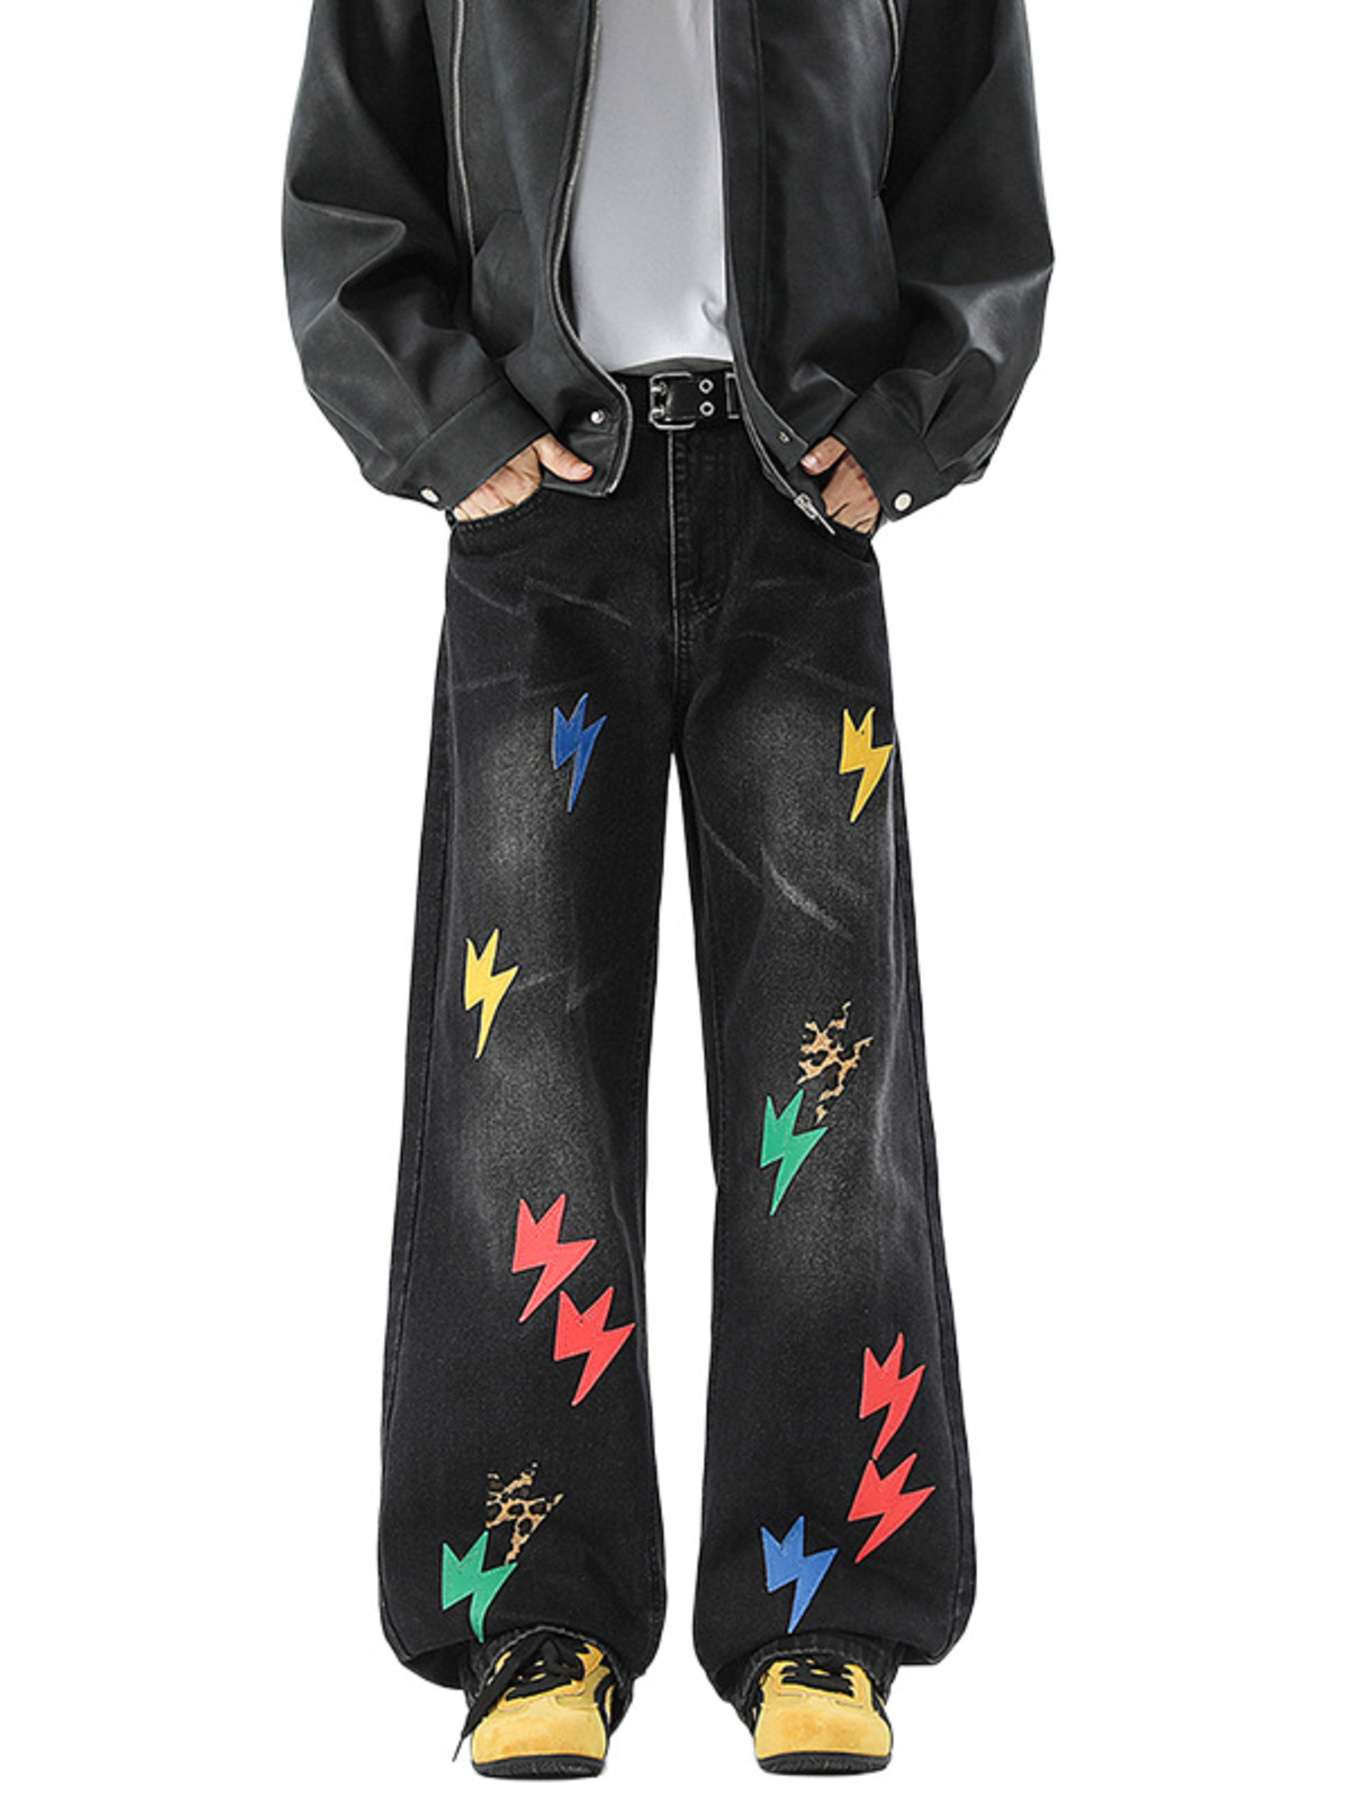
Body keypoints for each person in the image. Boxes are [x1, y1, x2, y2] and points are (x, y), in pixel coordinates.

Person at [282, 0, 1051, 1777]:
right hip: (542, 510)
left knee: (821, 1086)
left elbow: (977, 170)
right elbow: (347, 186)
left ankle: (820, 1611)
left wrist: (915, 422)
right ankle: (529, 1616)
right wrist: (443, 420)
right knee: (518, 1088)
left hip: (798, 502)